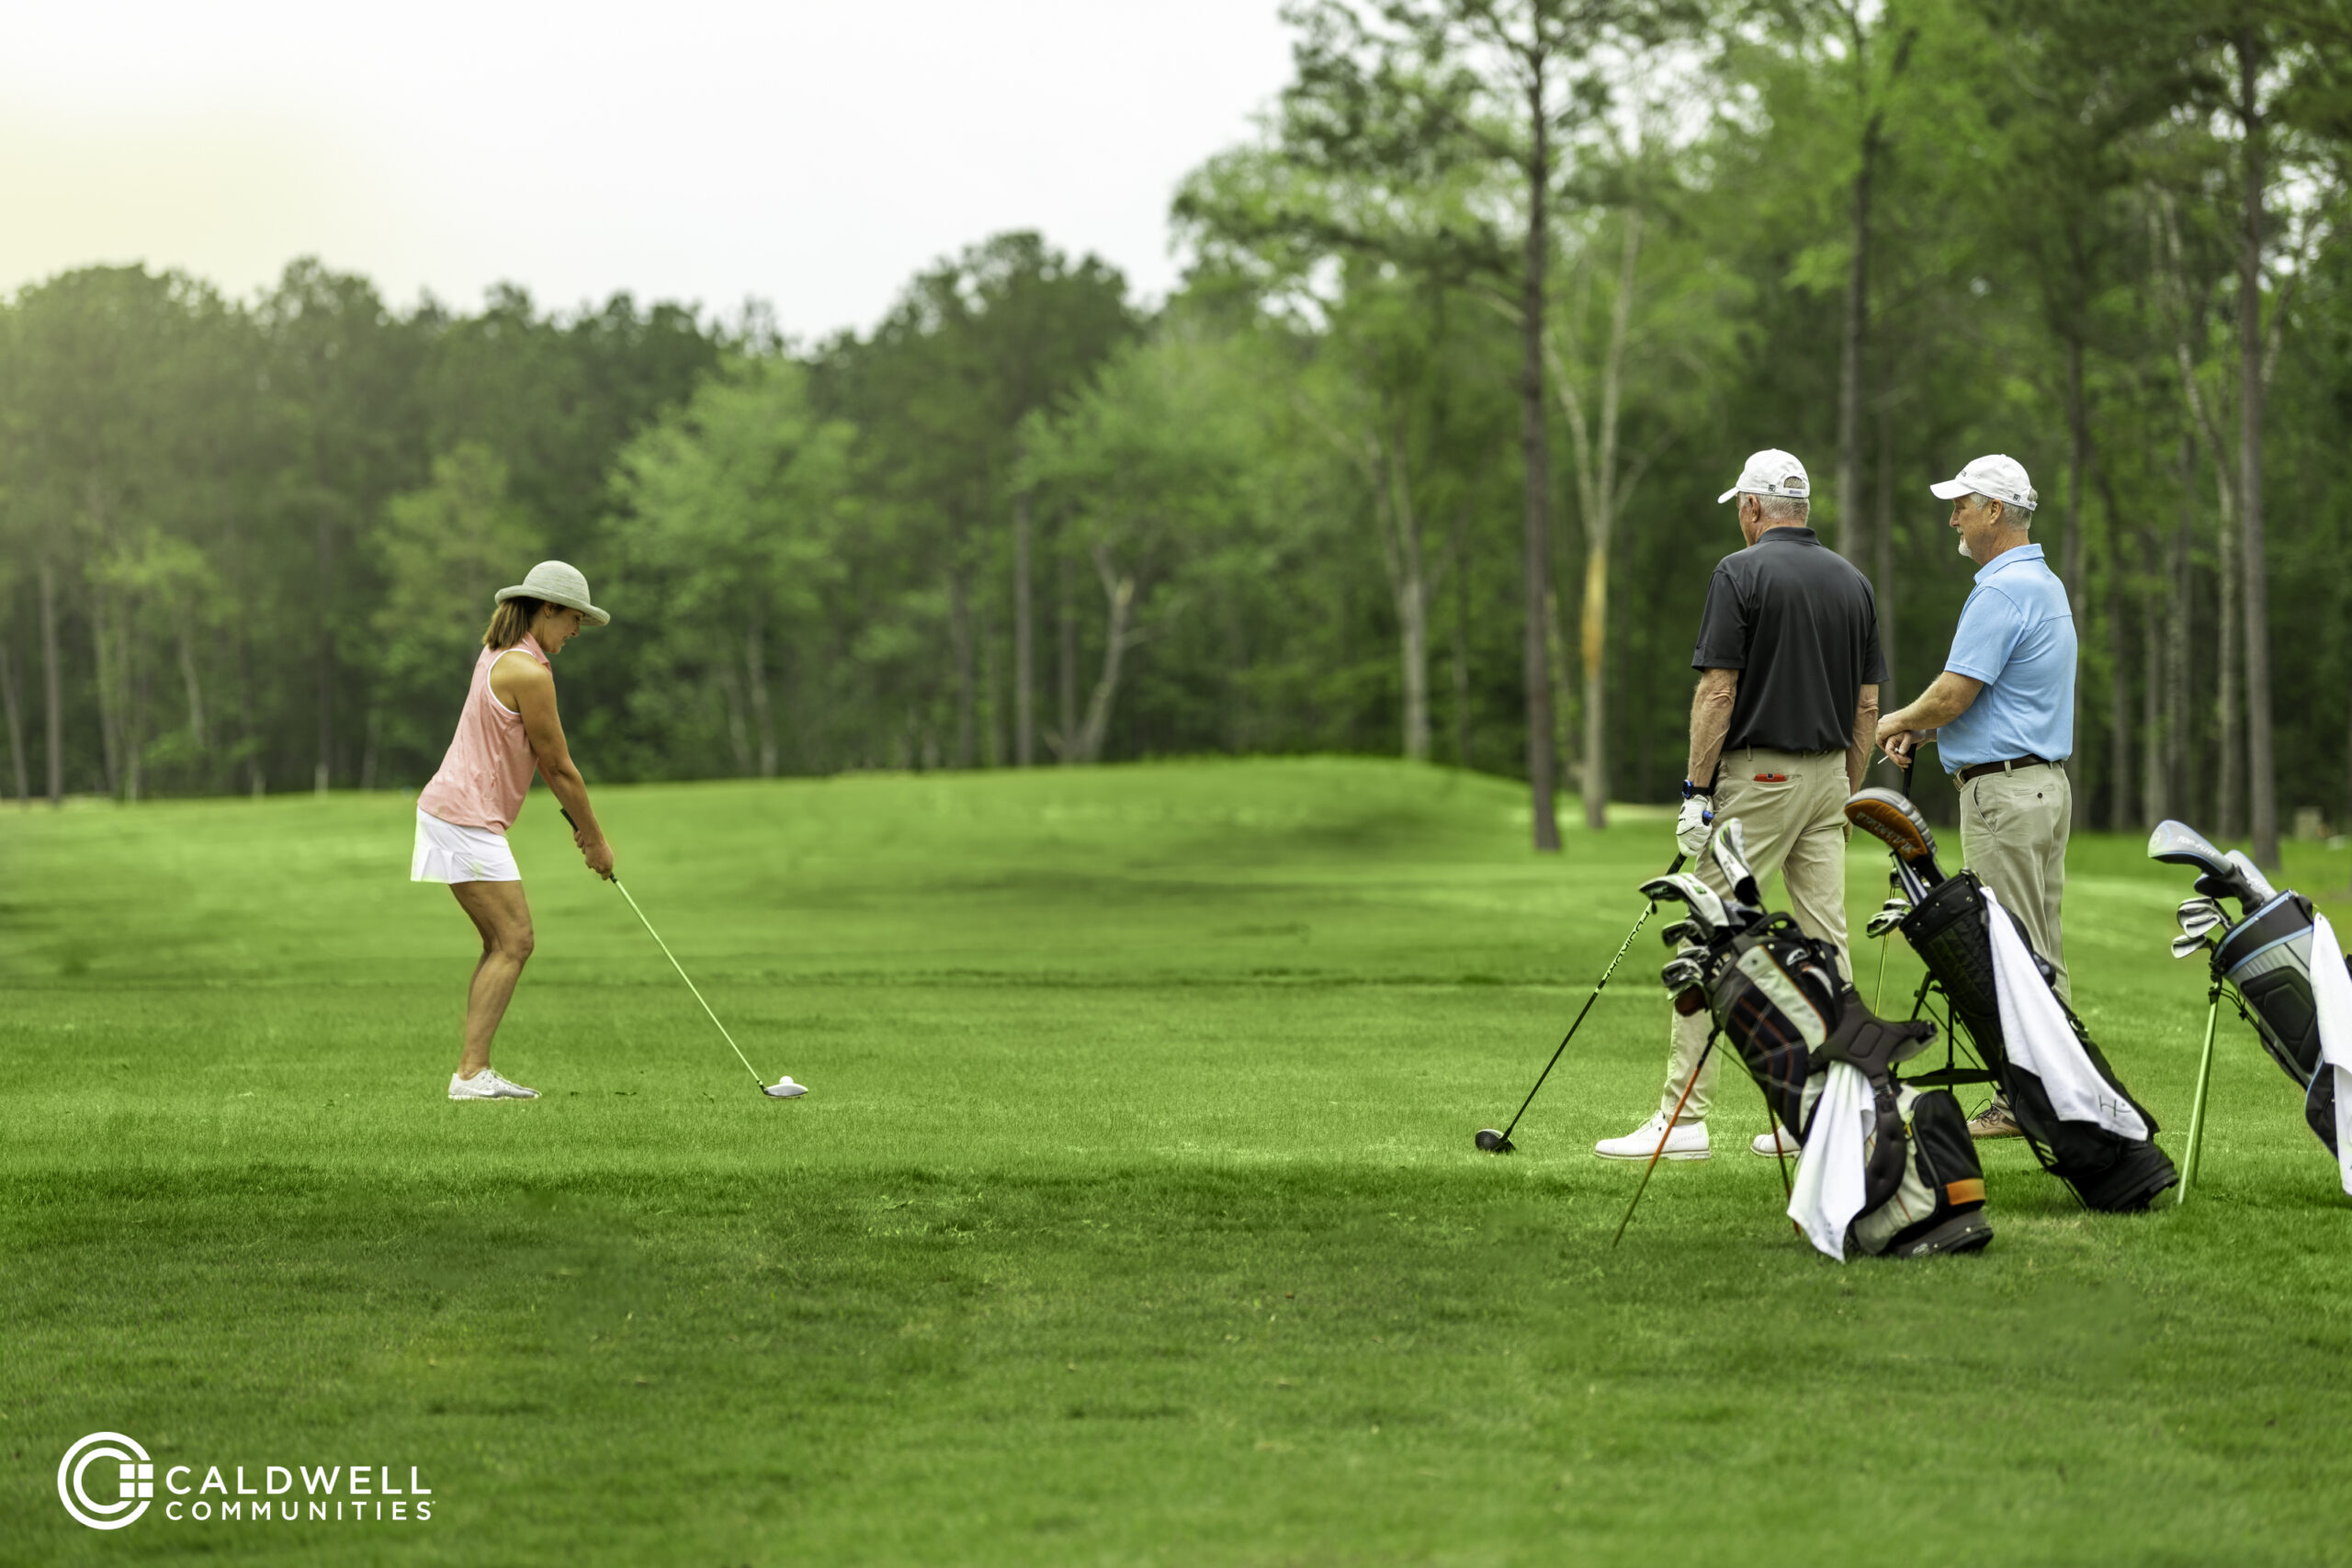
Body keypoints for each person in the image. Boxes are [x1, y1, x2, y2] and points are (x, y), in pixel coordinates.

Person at [1595, 450, 1885, 1162]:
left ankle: (1683, 1119)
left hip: (1760, 782)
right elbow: (1868, 706)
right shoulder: (1854, 581)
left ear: (1755, 507)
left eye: (1739, 507)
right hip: (1828, 781)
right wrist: (1845, 790)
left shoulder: (1739, 571)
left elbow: (1718, 692)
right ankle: (1827, 1109)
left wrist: (1696, 793)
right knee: (1825, 946)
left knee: (1711, 933)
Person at [1875, 453, 2073, 1139]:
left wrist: (1898, 721)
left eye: (1962, 502)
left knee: (2010, 954)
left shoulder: (2001, 590)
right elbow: (2002, 699)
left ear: (1995, 511)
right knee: (2041, 948)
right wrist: (1933, 738)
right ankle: (2060, 1092)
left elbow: (1955, 692)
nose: (1952, 514)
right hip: (2040, 785)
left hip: (2004, 799)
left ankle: (2028, 1100)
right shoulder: (2043, 583)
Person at [412, 560, 616, 1100]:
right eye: (573, 619)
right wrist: (594, 839)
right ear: (547, 607)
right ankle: (471, 1075)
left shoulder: (499, 655)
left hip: (456, 814)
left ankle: (471, 1074)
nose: (575, 632)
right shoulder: (528, 671)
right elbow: (558, 766)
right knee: (516, 940)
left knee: (502, 942)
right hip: (464, 818)